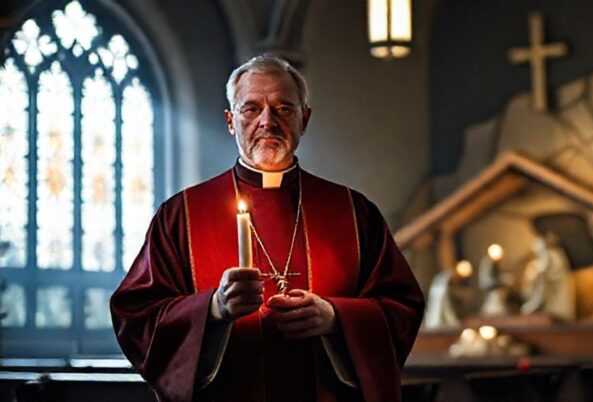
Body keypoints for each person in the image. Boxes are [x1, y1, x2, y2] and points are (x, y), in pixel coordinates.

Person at [110, 54, 424, 402]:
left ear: (304, 119)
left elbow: (402, 307)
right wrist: (213, 309)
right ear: (231, 121)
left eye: (284, 108)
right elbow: (136, 315)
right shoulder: (180, 214)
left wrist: (335, 317)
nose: (267, 121)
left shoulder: (353, 211)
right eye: (251, 109)